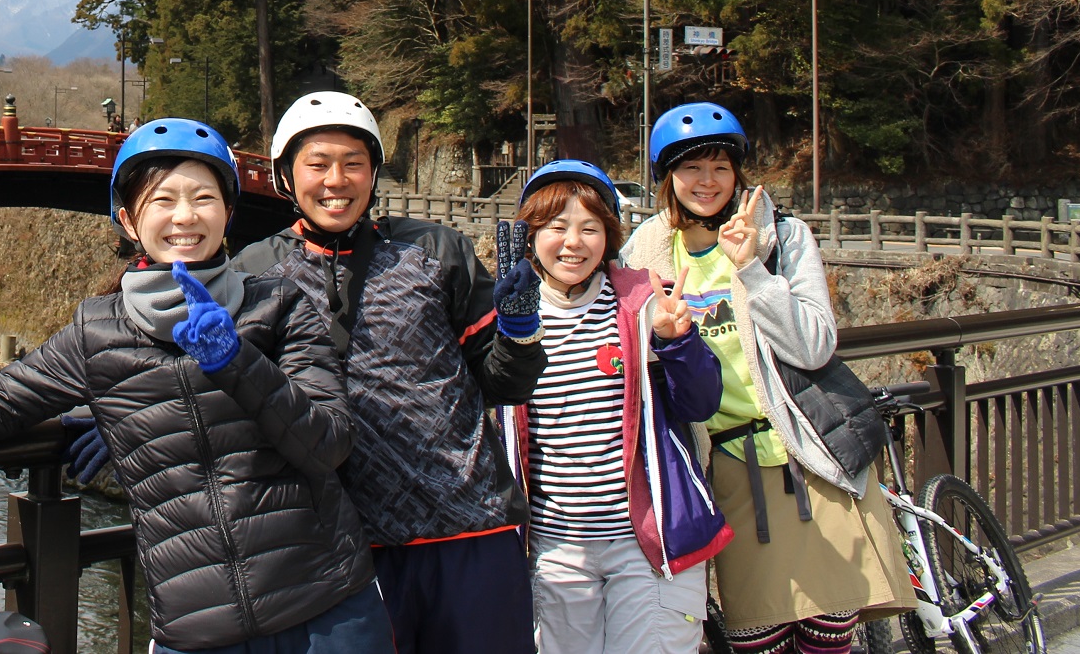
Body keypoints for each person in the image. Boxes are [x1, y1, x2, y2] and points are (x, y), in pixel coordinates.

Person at [0, 118, 390, 654]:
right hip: (201, 625)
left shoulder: (280, 306)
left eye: (203, 198)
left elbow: (328, 444)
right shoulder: (98, 332)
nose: (185, 217)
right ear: (125, 217)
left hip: (328, 607)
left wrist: (235, 360)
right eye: (161, 200)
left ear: (229, 211)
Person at [232, 92, 547, 654]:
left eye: (354, 163)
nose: (337, 180)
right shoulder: (254, 273)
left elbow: (503, 384)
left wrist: (520, 333)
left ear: (374, 173)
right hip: (342, 547)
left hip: (469, 524)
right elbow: (215, 384)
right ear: (285, 175)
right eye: (318, 163)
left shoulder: (436, 250)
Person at [623, 103, 913, 654]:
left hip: (808, 452)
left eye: (720, 167)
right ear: (668, 177)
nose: (706, 182)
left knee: (827, 635)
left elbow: (813, 344)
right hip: (728, 467)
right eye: (691, 168)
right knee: (758, 636)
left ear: (738, 175)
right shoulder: (645, 253)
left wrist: (752, 269)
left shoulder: (784, 237)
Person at [501, 159, 729, 654]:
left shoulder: (642, 302)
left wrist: (677, 340)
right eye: (556, 227)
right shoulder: (510, 313)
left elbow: (702, 402)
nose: (573, 243)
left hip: (646, 542)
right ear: (530, 235)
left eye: (590, 228)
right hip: (554, 549)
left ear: (609, 236)